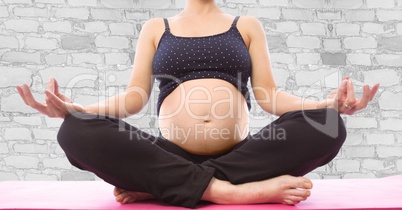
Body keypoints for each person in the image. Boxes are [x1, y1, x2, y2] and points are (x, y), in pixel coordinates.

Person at [16, 0, 379, 208]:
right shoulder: (155, 27)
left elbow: (270, 98)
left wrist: (328, 104)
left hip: (240, 154)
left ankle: (166, 185)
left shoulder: (247, 25)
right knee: (75, 132)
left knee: (328, 126)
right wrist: (74, 109)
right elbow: (133, 99)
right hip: (168, 153)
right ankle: (223, 190)